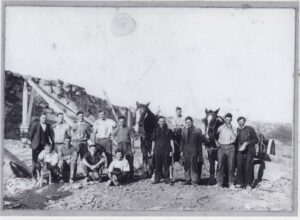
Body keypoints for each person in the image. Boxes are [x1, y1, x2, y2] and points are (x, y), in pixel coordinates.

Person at [28, 112, 54, 181]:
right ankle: (34, 176)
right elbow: (30, 135)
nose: (44, 119)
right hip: (36, 146)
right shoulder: (35, 125)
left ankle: (43, 176)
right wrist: (32, 143)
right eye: (43, 117)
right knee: (35, 161)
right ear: (40, 118)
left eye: (45, 118)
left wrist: (52, 143)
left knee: (44, 161)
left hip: (44, 146)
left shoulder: (48, 126)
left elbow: (51, 136)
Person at [236, 116, 259, 189]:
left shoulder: (250, 129)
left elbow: (256, 140)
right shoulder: (237, 130)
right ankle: (240, 182)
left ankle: (248, 184)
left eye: (242, 121)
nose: (241, 123)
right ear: (238, 122)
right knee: (239, 165)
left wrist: (246, 143)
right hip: (240, 151)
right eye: (239, 121)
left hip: (249, 150)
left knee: (248, 166)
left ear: (244, 122)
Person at [151, 116, 175, 185]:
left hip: (166, 150)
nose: (162, 123)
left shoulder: (169, 131)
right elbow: (153, 141)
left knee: (166, 165)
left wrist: (172, 150)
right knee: (157, 165)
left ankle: (167, 179)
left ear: (165, 122)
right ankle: (157, 179)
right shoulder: (155, 130)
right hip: (157, 150)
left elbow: (171, 141)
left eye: (163, 121)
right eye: (160, 121)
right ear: (158, 122)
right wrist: (152, 151)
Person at [215, 113, 236, 189]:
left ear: (231, 120)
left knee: (231, 166)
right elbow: (215, 136)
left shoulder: (234, 128)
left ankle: (231, 183)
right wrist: (217, 143)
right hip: (221, 148)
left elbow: (234, 138)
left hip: (231, 147)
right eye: (227, 119)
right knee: (220, 165)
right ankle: (219, 183)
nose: (228, 121)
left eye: (230, 120)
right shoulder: (220, 128)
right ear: (224, 119)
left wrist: (230, 129)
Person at [180, 116, 203, 185]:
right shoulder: (183, 130)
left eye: (189, 122)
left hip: (194, 150)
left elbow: (199, 143)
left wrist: (200, 153)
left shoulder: (197, 130)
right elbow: (182, 142)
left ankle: (195, 180)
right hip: (186, 150)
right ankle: (187, 179)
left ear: (192, 122)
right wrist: (181, 151)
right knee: (186, 165)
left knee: (194, 165)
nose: (188, 123)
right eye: (187, 122)